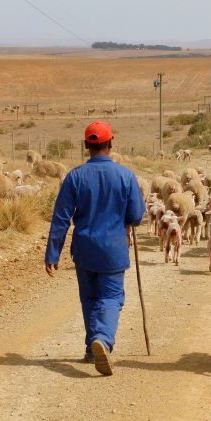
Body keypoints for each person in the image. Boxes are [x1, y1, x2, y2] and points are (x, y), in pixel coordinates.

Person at [45, 121, 145, 376]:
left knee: (89, 298)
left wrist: (52, 253)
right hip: (113, 250)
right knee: (111, 298)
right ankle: (102, 339)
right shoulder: (125, 176)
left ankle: (92, 348)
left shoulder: (75, 176)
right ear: (110, 144)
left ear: (86, 146)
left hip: (85, 249)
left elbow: (60, 218)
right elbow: (136, 215)